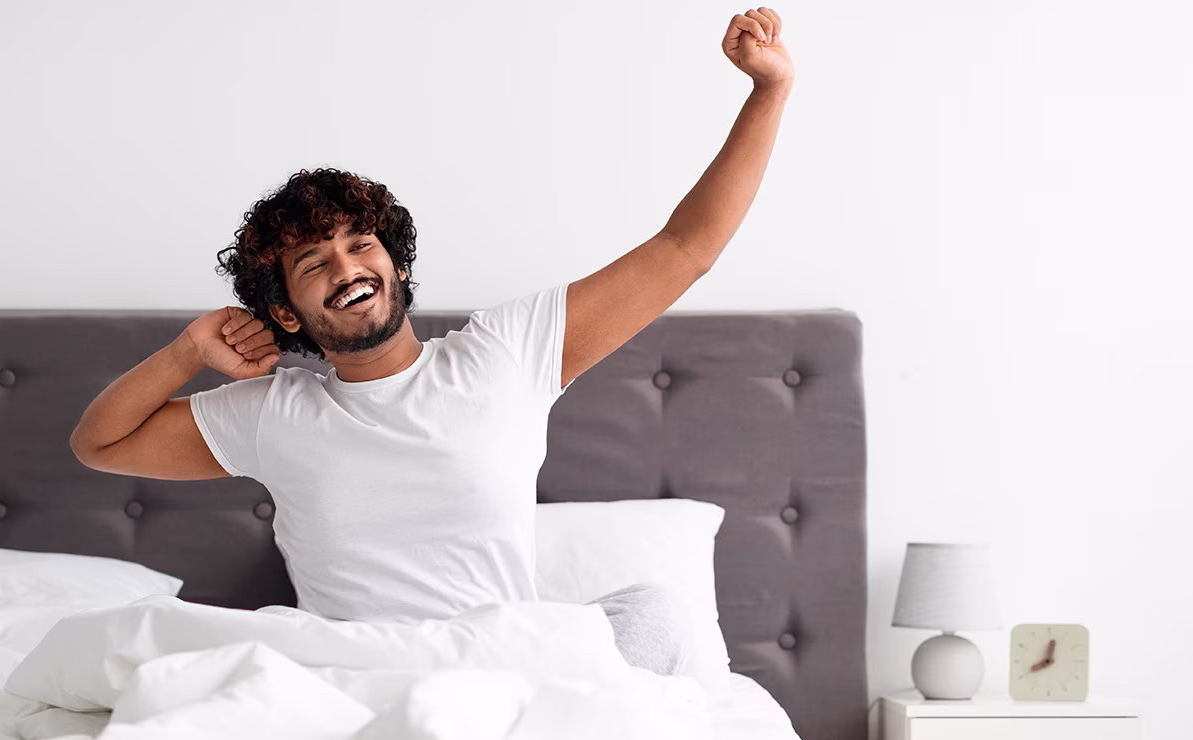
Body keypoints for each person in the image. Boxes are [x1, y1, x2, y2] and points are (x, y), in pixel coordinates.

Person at [69, 7, 793, 677]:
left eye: (361, 245)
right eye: (314, 264)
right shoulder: (271, 413)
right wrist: (187, 352)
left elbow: (686, 248)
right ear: (286, 313)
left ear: (397, 264)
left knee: (657, 612)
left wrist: (769, 91)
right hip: (367, 678)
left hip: (506, 668)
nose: (347, 268)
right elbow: (99, 444)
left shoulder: (506, 353)